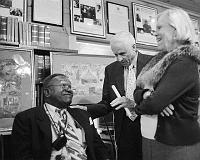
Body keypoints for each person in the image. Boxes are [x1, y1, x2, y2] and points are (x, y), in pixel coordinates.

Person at [133, 8, 200, 160]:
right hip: (154, 140)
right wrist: (147, 94)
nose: (154, 33)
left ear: (175, 31)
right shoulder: (159, 60)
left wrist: (147, 103)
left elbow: (154, 105)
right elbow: (137, 90)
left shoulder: (184, 61)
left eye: (159, 28)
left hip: (177, 145)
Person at [75, 31, 153, 160]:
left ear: (134, 47)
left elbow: (159, 98)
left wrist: (134, 104)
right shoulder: (111, 69)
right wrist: (87, 110)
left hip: (149, 126)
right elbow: (107, 103)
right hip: (124, 130)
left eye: (122, 54)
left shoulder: (153, 63)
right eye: (115, 54)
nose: (119, 59)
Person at [12, 73, 110, 160]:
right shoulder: (26, 118)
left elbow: (97, 146)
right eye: (63, 86)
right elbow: (22, 155)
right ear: (47, 92)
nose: (69, 90)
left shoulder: (82, 115)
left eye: (70, 86)